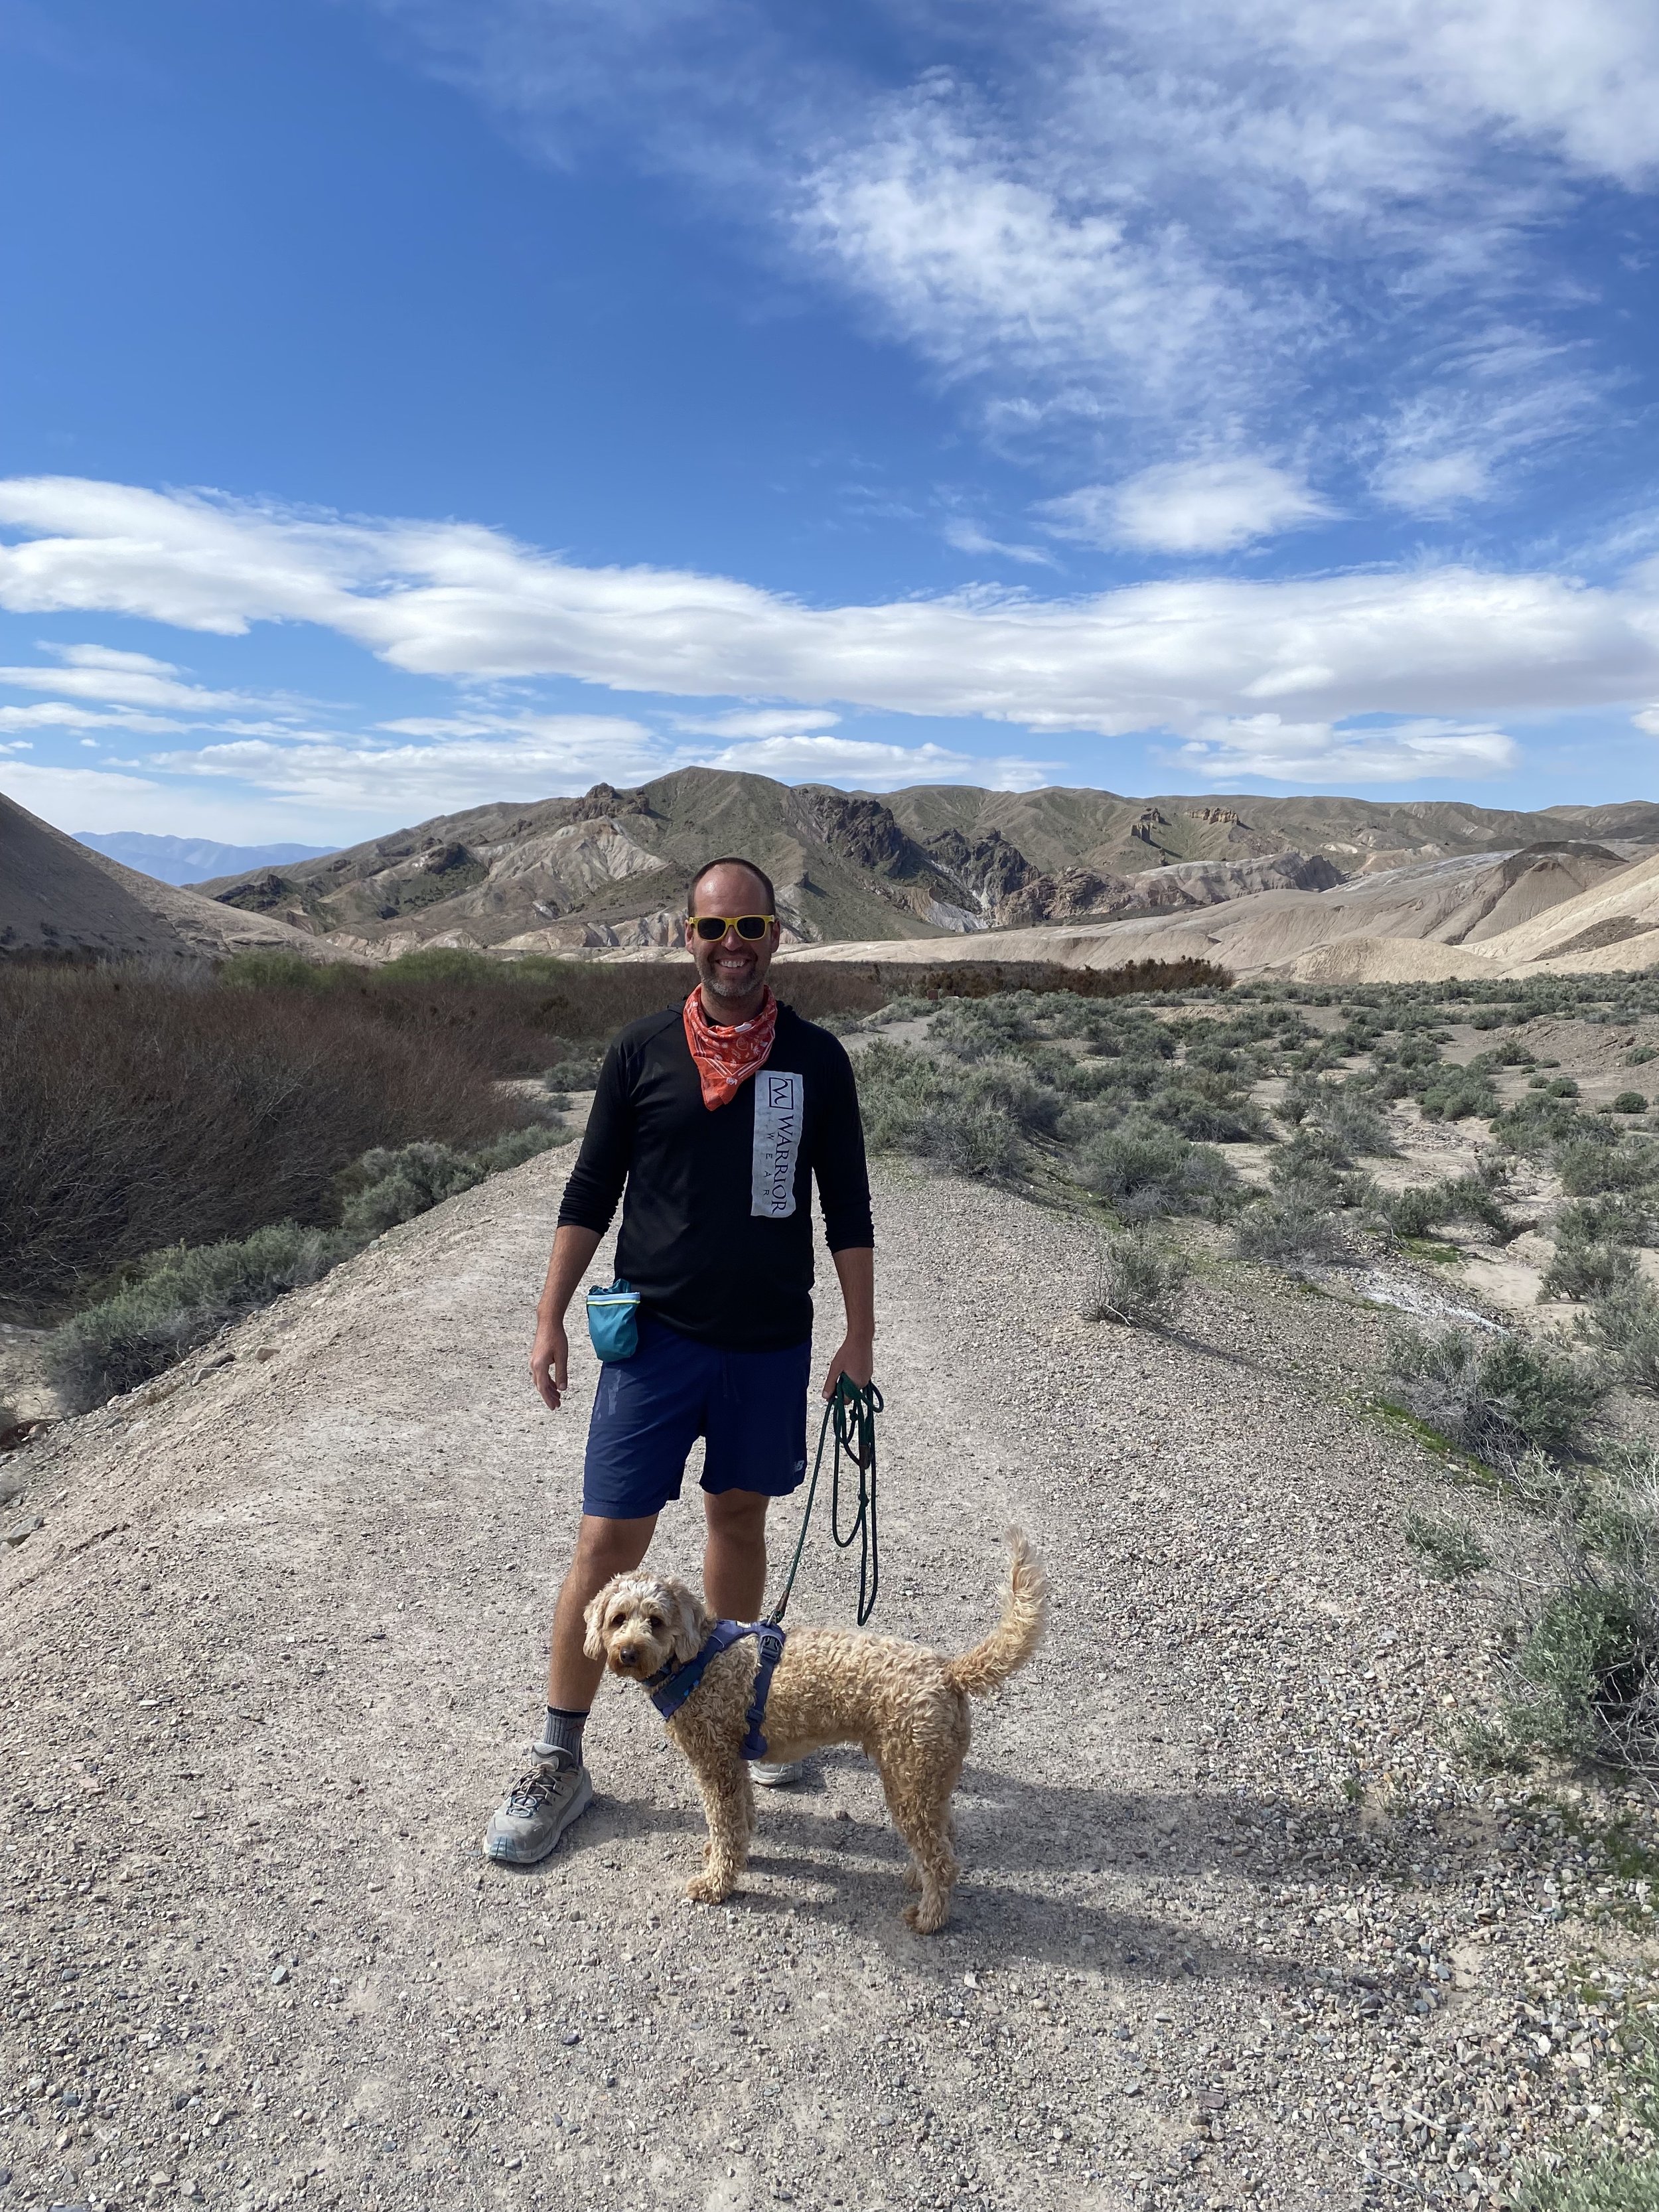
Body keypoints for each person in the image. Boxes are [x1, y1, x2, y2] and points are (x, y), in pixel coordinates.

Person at [483, 855, 876, 1864]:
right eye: (714, 929)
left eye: (750, 927)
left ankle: (739, 1711)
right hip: (651, 1342)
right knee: (608, 1542)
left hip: (765, 1341)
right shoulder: (641, 1050)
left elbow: (850, 1207)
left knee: (736, 1517)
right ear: (685, 937)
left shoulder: (818, 1061)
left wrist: (858, 1336)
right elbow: (588, 1190)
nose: (732, 946)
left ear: (777, 935)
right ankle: (558, 1755)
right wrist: (548, 1317)